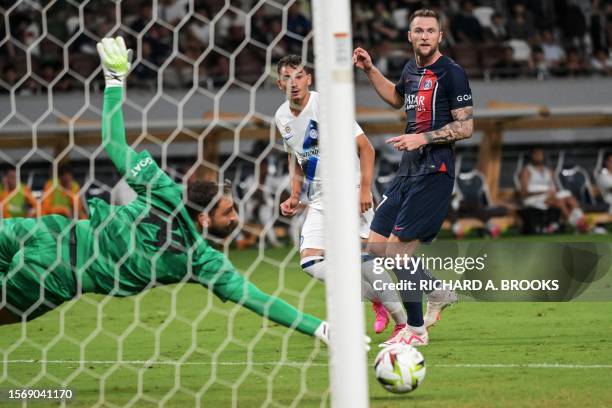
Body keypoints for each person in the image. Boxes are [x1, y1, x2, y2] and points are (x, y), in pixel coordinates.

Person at [0, 37, 333, 348]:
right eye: (228, 212)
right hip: (54, 273)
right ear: (203, 218)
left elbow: (114, 144)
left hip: (48, 230)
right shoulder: (200, 261)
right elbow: (257, 299)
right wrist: (320, 328)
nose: (236, 217)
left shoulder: (161, 188)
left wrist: (114, 81)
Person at [353, 9, 471, 346]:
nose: (423, 36)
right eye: (418, 30)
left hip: (435, 169)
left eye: (429, 31)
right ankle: (437, 290)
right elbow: (395, 98)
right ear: (409, 36)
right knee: (377, 247)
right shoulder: (411, 70)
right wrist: (371, 70)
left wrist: (424, 137)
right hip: (408, 168)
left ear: (440, 36)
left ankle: (415, 331)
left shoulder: (452, 73)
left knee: (399, 253)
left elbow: (466, 126)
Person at [274, 54, 407, 336]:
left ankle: (403, 323)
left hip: (350, 189)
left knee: (368, 257)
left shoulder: (327, 105)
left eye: (298, 76)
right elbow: (295, 157)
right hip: (320, 199)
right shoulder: (281, 117)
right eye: (287, 77)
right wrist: (294, 194)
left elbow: (367, 149)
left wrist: (364, 190)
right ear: (279, 83)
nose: (293, 83)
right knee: (310, 262)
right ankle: (373, 298)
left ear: (309, 79)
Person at [520, 147, 587, 230]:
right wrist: (543, 192)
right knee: (559, 202)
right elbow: (524, 193)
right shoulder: (526, 171)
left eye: (540, 154)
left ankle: (583, 221)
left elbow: (553, 187)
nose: (539, 156)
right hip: (534, 198)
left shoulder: (548, 170)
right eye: (536, 154)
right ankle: (575, 224)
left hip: (550, 196)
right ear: (532, 156)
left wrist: (553, 192)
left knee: (571, 199)